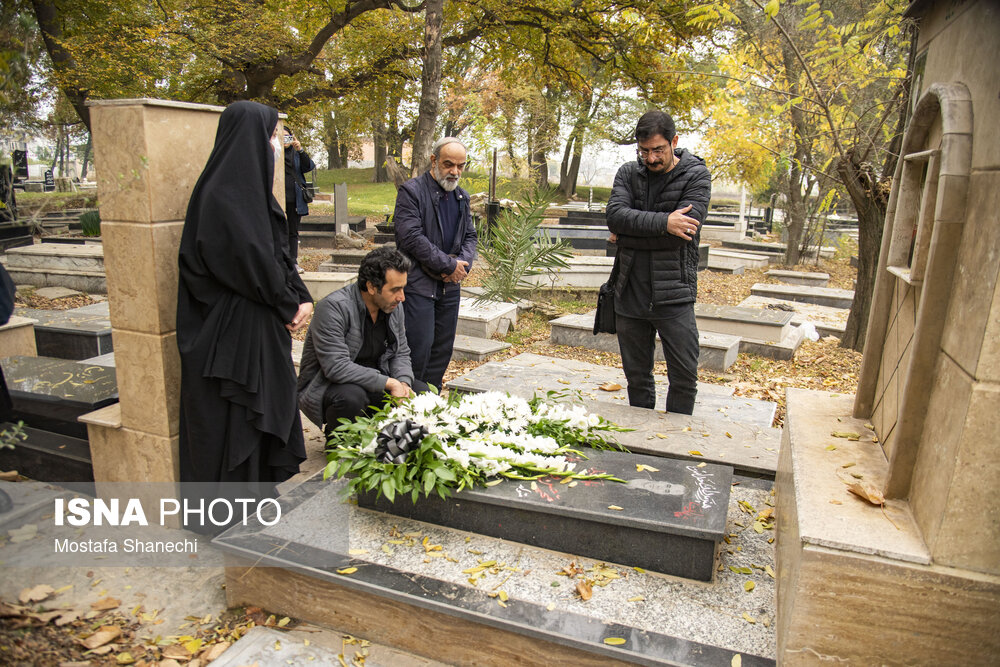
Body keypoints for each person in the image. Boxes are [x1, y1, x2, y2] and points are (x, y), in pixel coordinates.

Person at [177, 101, 313, 493]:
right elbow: (252, 262)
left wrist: (299, 296)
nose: (276, 144)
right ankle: (228, 509)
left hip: (251, 325)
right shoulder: (223, 196)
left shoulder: (250, 192)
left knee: (258, 415)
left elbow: (279, 255)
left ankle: (255, 496)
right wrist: (289, 304)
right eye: (272, 135)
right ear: (250, 138)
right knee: (234, 422)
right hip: (226, 336)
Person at [605, 110, 711, 415]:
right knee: (637, 379)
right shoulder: (628, 173)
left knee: (684, 379)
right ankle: (640, 442)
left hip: (674, 294)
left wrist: (626, 235)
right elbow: (614, 216)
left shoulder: (697, 175)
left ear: (674, 142)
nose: (651, 159)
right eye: (644, 151)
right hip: (630, 292)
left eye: (658, 150)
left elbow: (683, 233)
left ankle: (676, 446)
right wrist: (665, 222)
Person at [297, 247, 428, 436]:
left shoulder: (392, 306)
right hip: (331, 384)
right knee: (352, 397)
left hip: (377, 378)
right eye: (395, 290)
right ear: (371, 287)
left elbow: (400, 351)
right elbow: (336, 367)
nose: (402, 297)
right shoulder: (333, 308)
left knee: (421, 392)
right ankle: (338, 442)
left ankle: (391, 440)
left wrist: (403, 383)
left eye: (403, 288)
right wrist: (390, 383)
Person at [392, 137, 478, 390]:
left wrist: (462, 267)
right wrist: (448, 266)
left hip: (450, 287)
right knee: (418, 350)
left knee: (442, 351)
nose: (455, 172)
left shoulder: (462, 197)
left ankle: (430, 408)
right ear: (433, 160)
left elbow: (470, 236)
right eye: (449, 164)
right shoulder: (411, 192)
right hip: (418, 284)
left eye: (461, 166)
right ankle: (407, 410)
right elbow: (411, 238)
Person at [283, 127, 314, 272]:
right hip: (278, 198)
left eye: (287, 137)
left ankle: (293, 262)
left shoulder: (295, 154)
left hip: (294, 199)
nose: (284, 140)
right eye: (281, 137)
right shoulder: (272, 153)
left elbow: (308, 167)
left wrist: (300, 149)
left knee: (293, 231)